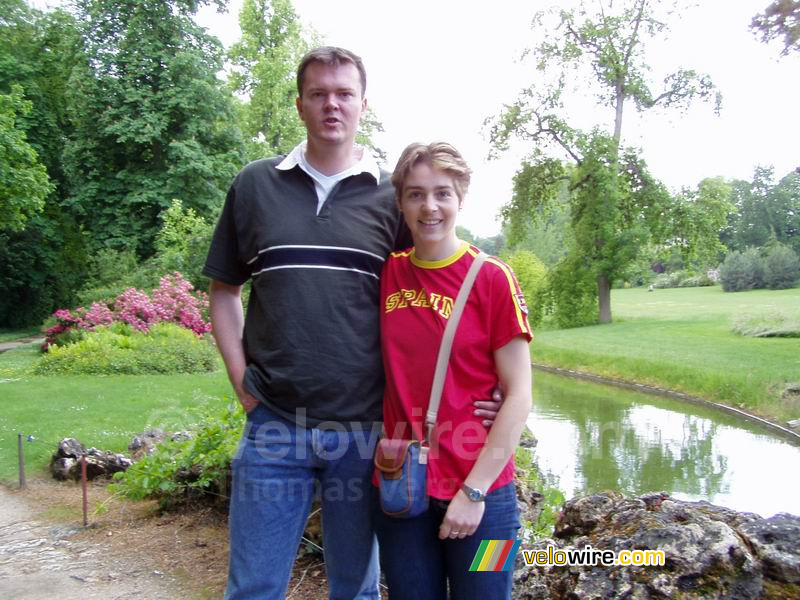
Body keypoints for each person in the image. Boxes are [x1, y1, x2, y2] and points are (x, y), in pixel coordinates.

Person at [203, 47, 501, 600]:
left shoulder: (396, 198)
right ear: (300, 105)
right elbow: (224, 290)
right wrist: (241, 380)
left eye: (344, 94)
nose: (331, 105)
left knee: (357, 589)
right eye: (318, 94)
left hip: (366, 435)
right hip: (274, 426)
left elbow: (440, 298)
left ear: (365, 104)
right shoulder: (255, 185)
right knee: (253, 588)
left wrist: (498, 386)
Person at [373, 142, 533, 600]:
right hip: (402, 489)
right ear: (401, 203)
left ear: (460, 197)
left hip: (488, 497)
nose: (430, 207)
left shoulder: (493, 278)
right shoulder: (386, 273)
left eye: (442, 193)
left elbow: (519, 393)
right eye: (416, 194)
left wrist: (474, 493)